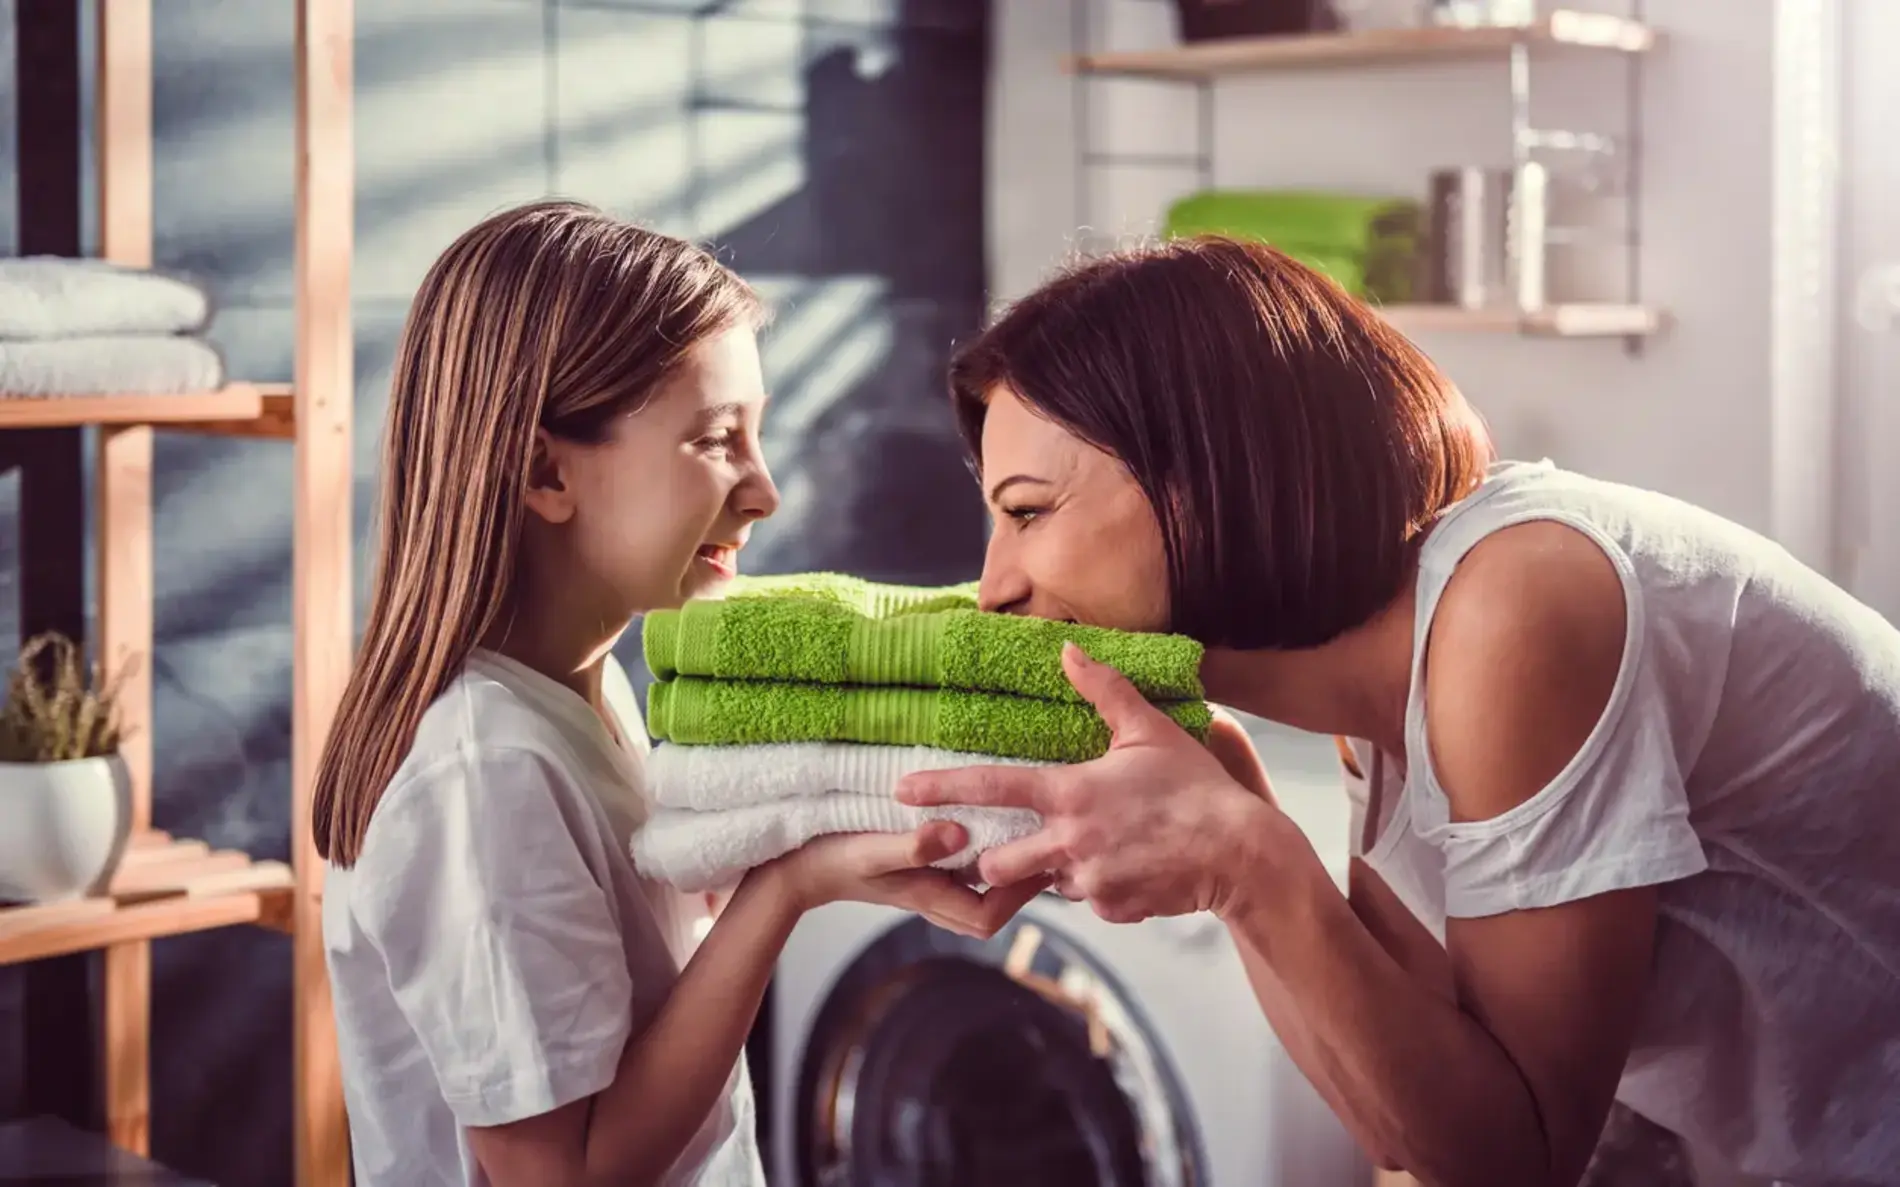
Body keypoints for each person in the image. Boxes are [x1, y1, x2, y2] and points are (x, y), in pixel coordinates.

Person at [895, 235, 1900, 1187]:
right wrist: (1235, 803)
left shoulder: (1514, 604)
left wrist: (1249, 861)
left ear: (1204, 474)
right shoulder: (1377, 671)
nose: (991, 587)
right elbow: (1406, 1119)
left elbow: (1517, 1159)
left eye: (1025, 510)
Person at [310, 200, 1040, 1187]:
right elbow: (563, 1175)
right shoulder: (482, 764)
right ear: (541, 467)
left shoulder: (582, 686)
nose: (764, 488)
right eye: (715, 439)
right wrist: (785, 889)